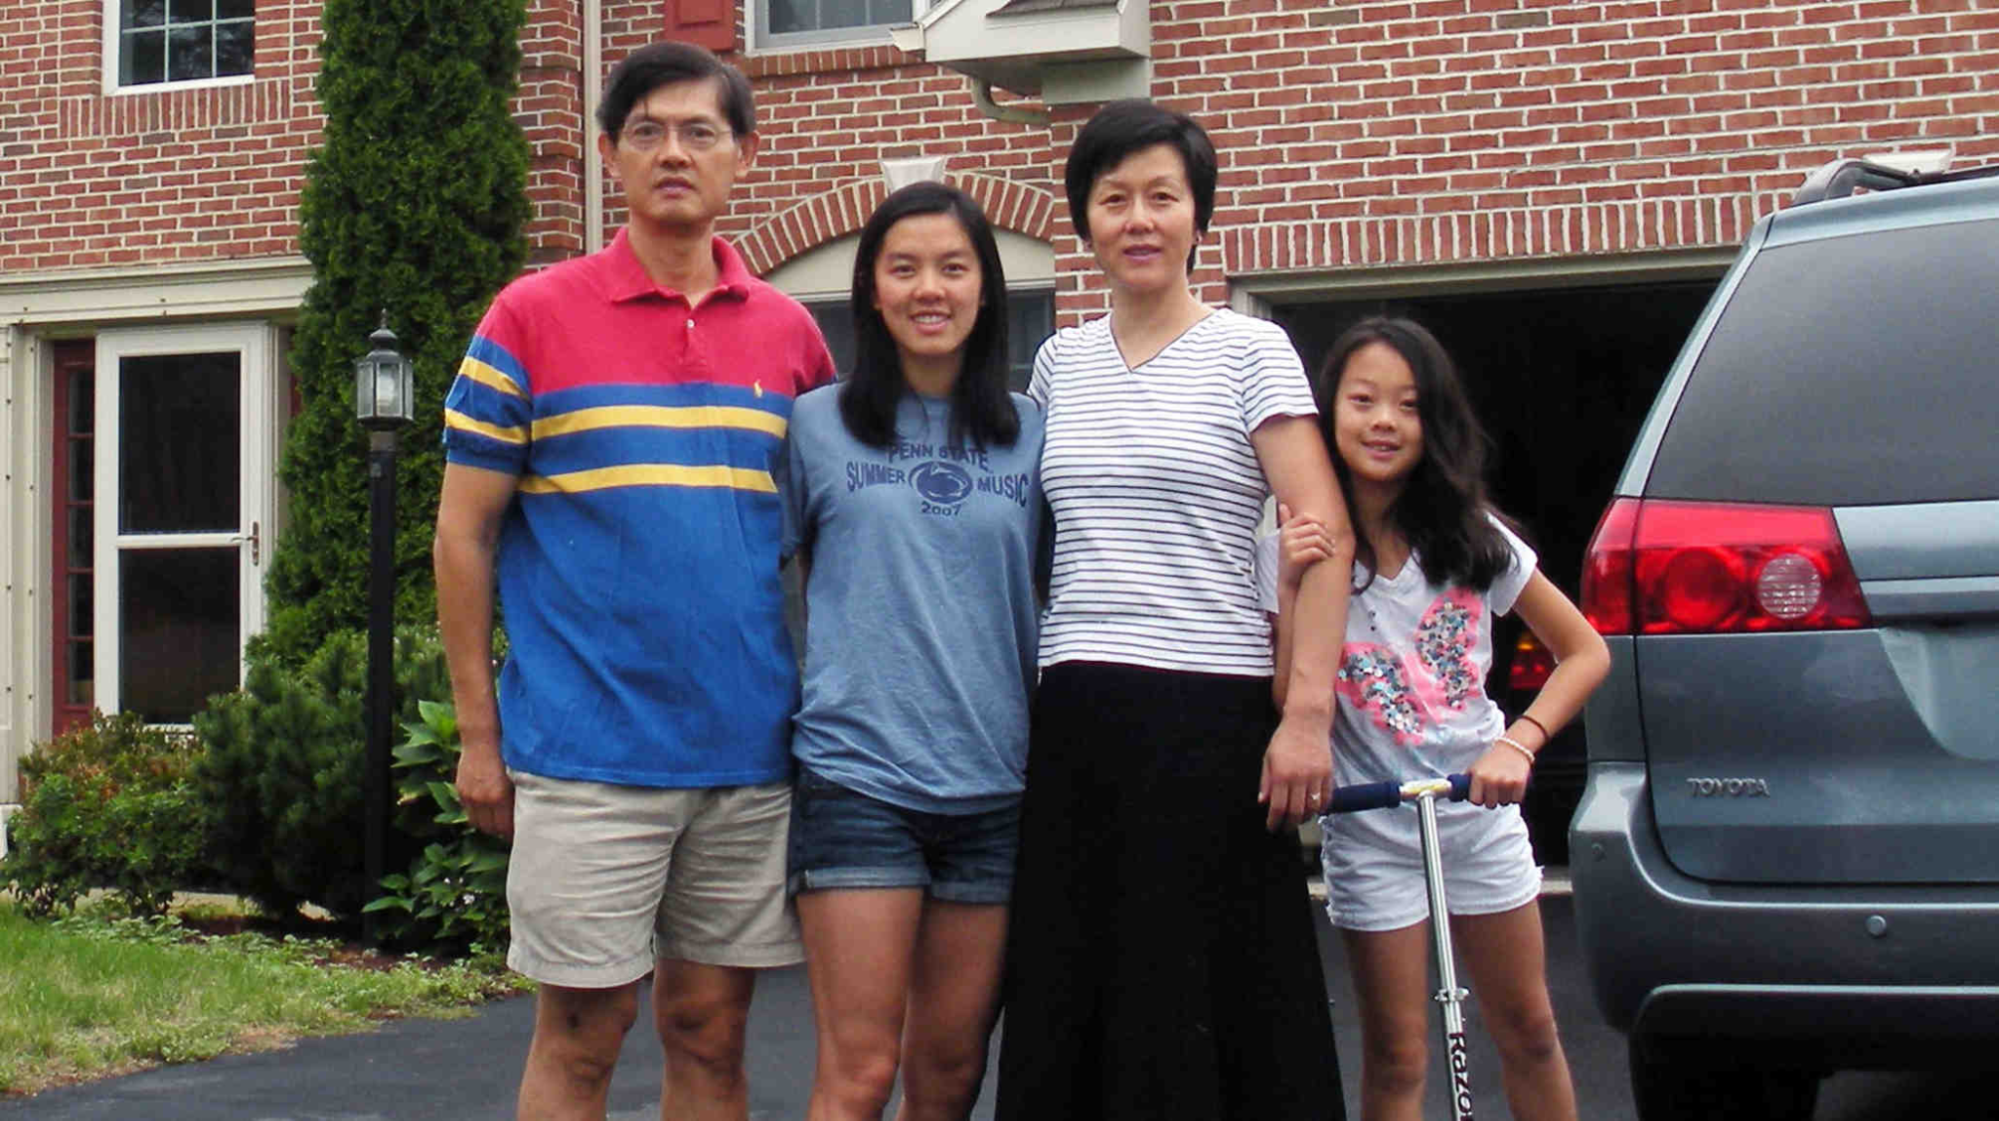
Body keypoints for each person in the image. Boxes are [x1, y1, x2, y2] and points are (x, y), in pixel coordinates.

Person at [433, 41, 835, 1121]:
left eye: (701, 131)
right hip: (586, 753)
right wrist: (480, 736)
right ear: (608, 153)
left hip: (747, 755)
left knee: (711, 1031)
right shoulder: (528, 316)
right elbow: (462, 537)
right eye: (647, 131)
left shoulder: (792, 338)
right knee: (582, 1034)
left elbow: (820, 543)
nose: (674, 152)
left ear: (742, 156)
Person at [994, 99, 1355, 1121]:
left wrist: (1306, 717)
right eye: (1115, 199)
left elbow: (1321, 530)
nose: (1138, 218)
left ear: (1199, 216)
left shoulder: (1249, 351)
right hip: (1077, 716)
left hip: (1213, 716)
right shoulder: (1060, 364)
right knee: (1083, 993)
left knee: (1211, 1001)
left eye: (1163, 196)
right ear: (1084, 220)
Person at [1258, 316, 1609, 1121]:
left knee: (1527, 1027)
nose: (1383, 421)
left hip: (1474, 812)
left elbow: (1583, 652)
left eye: (1407, 405)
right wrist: (1285, 586)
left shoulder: (1472, 540)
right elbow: (1287, 705)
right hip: (1372, 825)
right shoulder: (1294, 540)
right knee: (1397, 1052)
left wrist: (1518, 744)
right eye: (1362, 400)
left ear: (1433, 423)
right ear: (1327, 412)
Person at [782, 181, 1043, 1121]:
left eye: (952, 267)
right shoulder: (814, 424)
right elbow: (769, 585)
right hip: (858, 783)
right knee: (857, 1073)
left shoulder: (1031, 435)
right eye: (903, 268)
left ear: (984, 291)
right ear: (871, 291)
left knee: (950, 1074)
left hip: (995, 789)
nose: (928, 288)